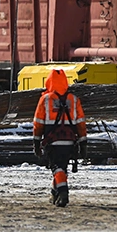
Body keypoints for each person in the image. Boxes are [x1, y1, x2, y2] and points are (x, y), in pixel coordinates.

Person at [32, 69, 88, 207]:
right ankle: (54, 193)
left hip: (52, 140)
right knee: (62, 168)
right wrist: (83, 143)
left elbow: (38, 123)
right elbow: (81, 123)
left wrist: (36, 142)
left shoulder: (45, 99)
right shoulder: (74, 100)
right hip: (70, 141)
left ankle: (63, 193)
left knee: (56, 168)